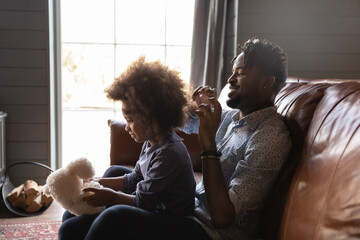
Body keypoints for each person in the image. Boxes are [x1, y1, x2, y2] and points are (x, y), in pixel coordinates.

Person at [58, 57, 196, 240]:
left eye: (130, 120)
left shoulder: (171, 154)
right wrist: (96, 182)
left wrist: (110, 197)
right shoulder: (153, 141)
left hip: (172, 223)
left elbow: (143, 202)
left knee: (105, 218)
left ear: (152, 119)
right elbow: (136, 178)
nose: (126, 127)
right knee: (72, 219)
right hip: (153, 206)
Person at [180, 37, 292, 239]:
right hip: (192, 213)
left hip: (210, 233)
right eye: (232, 73)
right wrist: (194, 104)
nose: (230, 79)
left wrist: (209, 148)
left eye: (240, 73)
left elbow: (223, 217)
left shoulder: (270, 138)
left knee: (116, 217)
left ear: (267, 82)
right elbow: (183, 122)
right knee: (116, 172)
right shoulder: (230, 118)